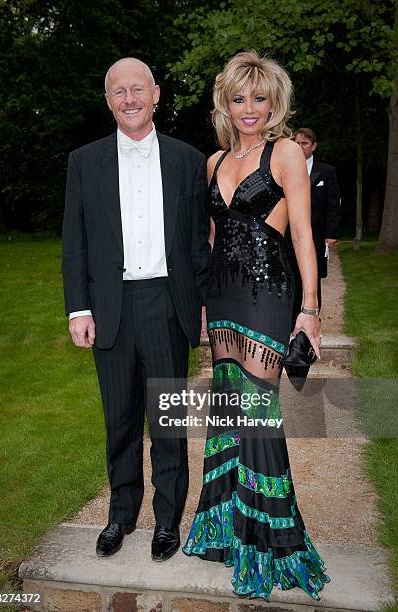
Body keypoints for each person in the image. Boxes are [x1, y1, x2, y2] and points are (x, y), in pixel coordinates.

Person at [182, 51, 330, 601]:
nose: (249, 109)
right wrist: (202, 303)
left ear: (275, 103)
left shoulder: (286, 151)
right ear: (226, 101)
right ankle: (225, 530)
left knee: (260, 416)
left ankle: (271, 545)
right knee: (227, 413)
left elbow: (302, 236)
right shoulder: (214, 160)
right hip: (222, 297)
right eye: (239, 98)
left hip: (268, 293)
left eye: (259, 98)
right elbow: (214, 239)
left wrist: (310, 310)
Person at [62, 58, 210, 562]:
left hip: (168, 304)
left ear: (156, 94)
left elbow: (197, 245)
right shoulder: (84, 162)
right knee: (119, 419)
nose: (129, 99)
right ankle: (121, 514)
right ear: (108, 101)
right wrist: (78, 309)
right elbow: (74, 244)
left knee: (167, 421)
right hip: (111, 307)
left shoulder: (188, 160)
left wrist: (204, 303)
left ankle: (167, 521)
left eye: (138, 89)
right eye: (118, 91)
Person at [287, 128, 341, 325]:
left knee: (312, 274)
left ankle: (311, 319)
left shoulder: (326, 171)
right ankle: (291, 319)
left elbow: (333, 203)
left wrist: (331, 233)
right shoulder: (285, 168)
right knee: (290, 273)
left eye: (304, 143)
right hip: (289, 233)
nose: (300, 147)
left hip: (315, 233)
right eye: (297, 143)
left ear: (313, 146)